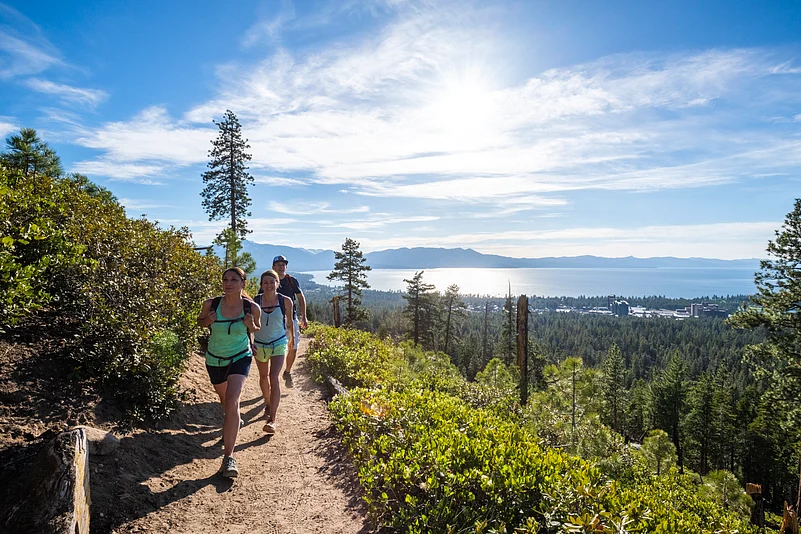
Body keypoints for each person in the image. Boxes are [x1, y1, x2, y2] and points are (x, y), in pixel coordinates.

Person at [196, 267, 260, 478]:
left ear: (243, 283)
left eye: (234, 279)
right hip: (215, 359)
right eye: (225, 279)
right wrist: (208, 321)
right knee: (225, 401)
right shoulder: (211, 304)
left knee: (232, 401)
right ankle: (232, 420)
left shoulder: (251, 307)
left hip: (240, 357)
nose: (228, 283)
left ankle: (228, 458)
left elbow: (256, 328)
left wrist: (251, 326)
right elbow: (200, 322)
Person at [253, 270, 294, 434]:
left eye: (272, 282)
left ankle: (273, 419)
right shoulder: (255, 302)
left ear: (278, 283)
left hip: (278, 343)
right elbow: (249, 325)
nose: (269, 285)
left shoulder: (286, 301)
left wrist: (291, 339)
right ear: (261, 285)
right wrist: (250, 342)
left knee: (273, 377)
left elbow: (289, 322)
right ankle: (268, 404)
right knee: (263, 377)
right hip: (260, 344)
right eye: (265, 283)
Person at [272, 255, 307, 388]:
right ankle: (274, 375)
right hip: (274, 320)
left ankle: (287, 371)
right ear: (273, 267)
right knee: (275, 349)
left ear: (286, 266)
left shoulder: (291, 281)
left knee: (293, 347)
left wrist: (304, 316)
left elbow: (300, 297)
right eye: (278, 264)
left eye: (283, 264)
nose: (281, 267)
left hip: (291, 319)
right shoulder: (269, 281)